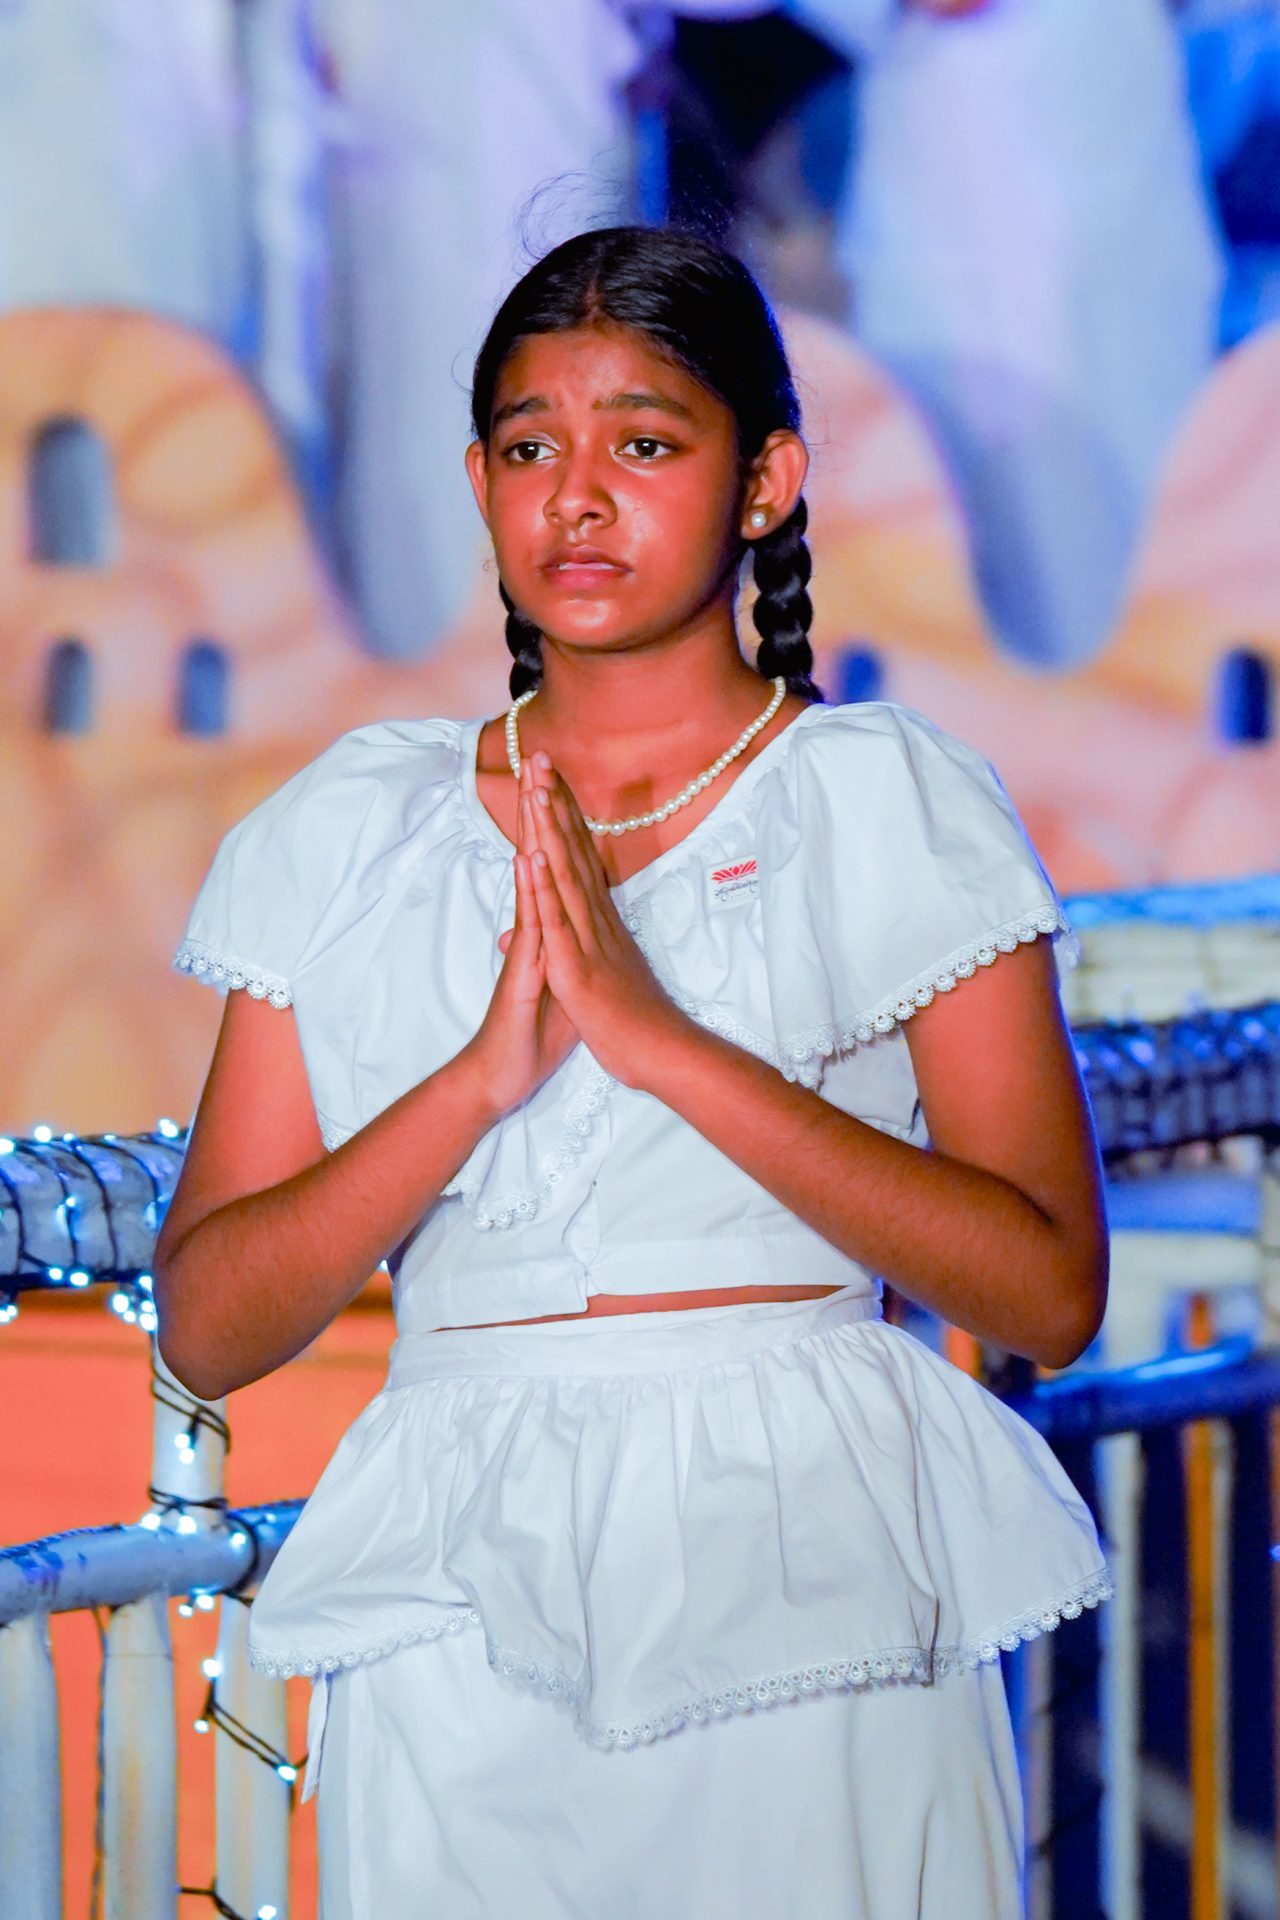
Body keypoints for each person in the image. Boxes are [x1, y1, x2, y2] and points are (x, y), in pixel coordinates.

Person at [156, 225, 1111, 1920]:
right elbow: (212, 1327)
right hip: (459, 1605)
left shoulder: (885, 800)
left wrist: (661, 1045)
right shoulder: (352, 828)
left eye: (647, 444)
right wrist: (475, 1081)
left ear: (767, 482)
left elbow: (1047, 1288)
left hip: (808, 1576)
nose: (579, 500)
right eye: (532, 450)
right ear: (479, 485)